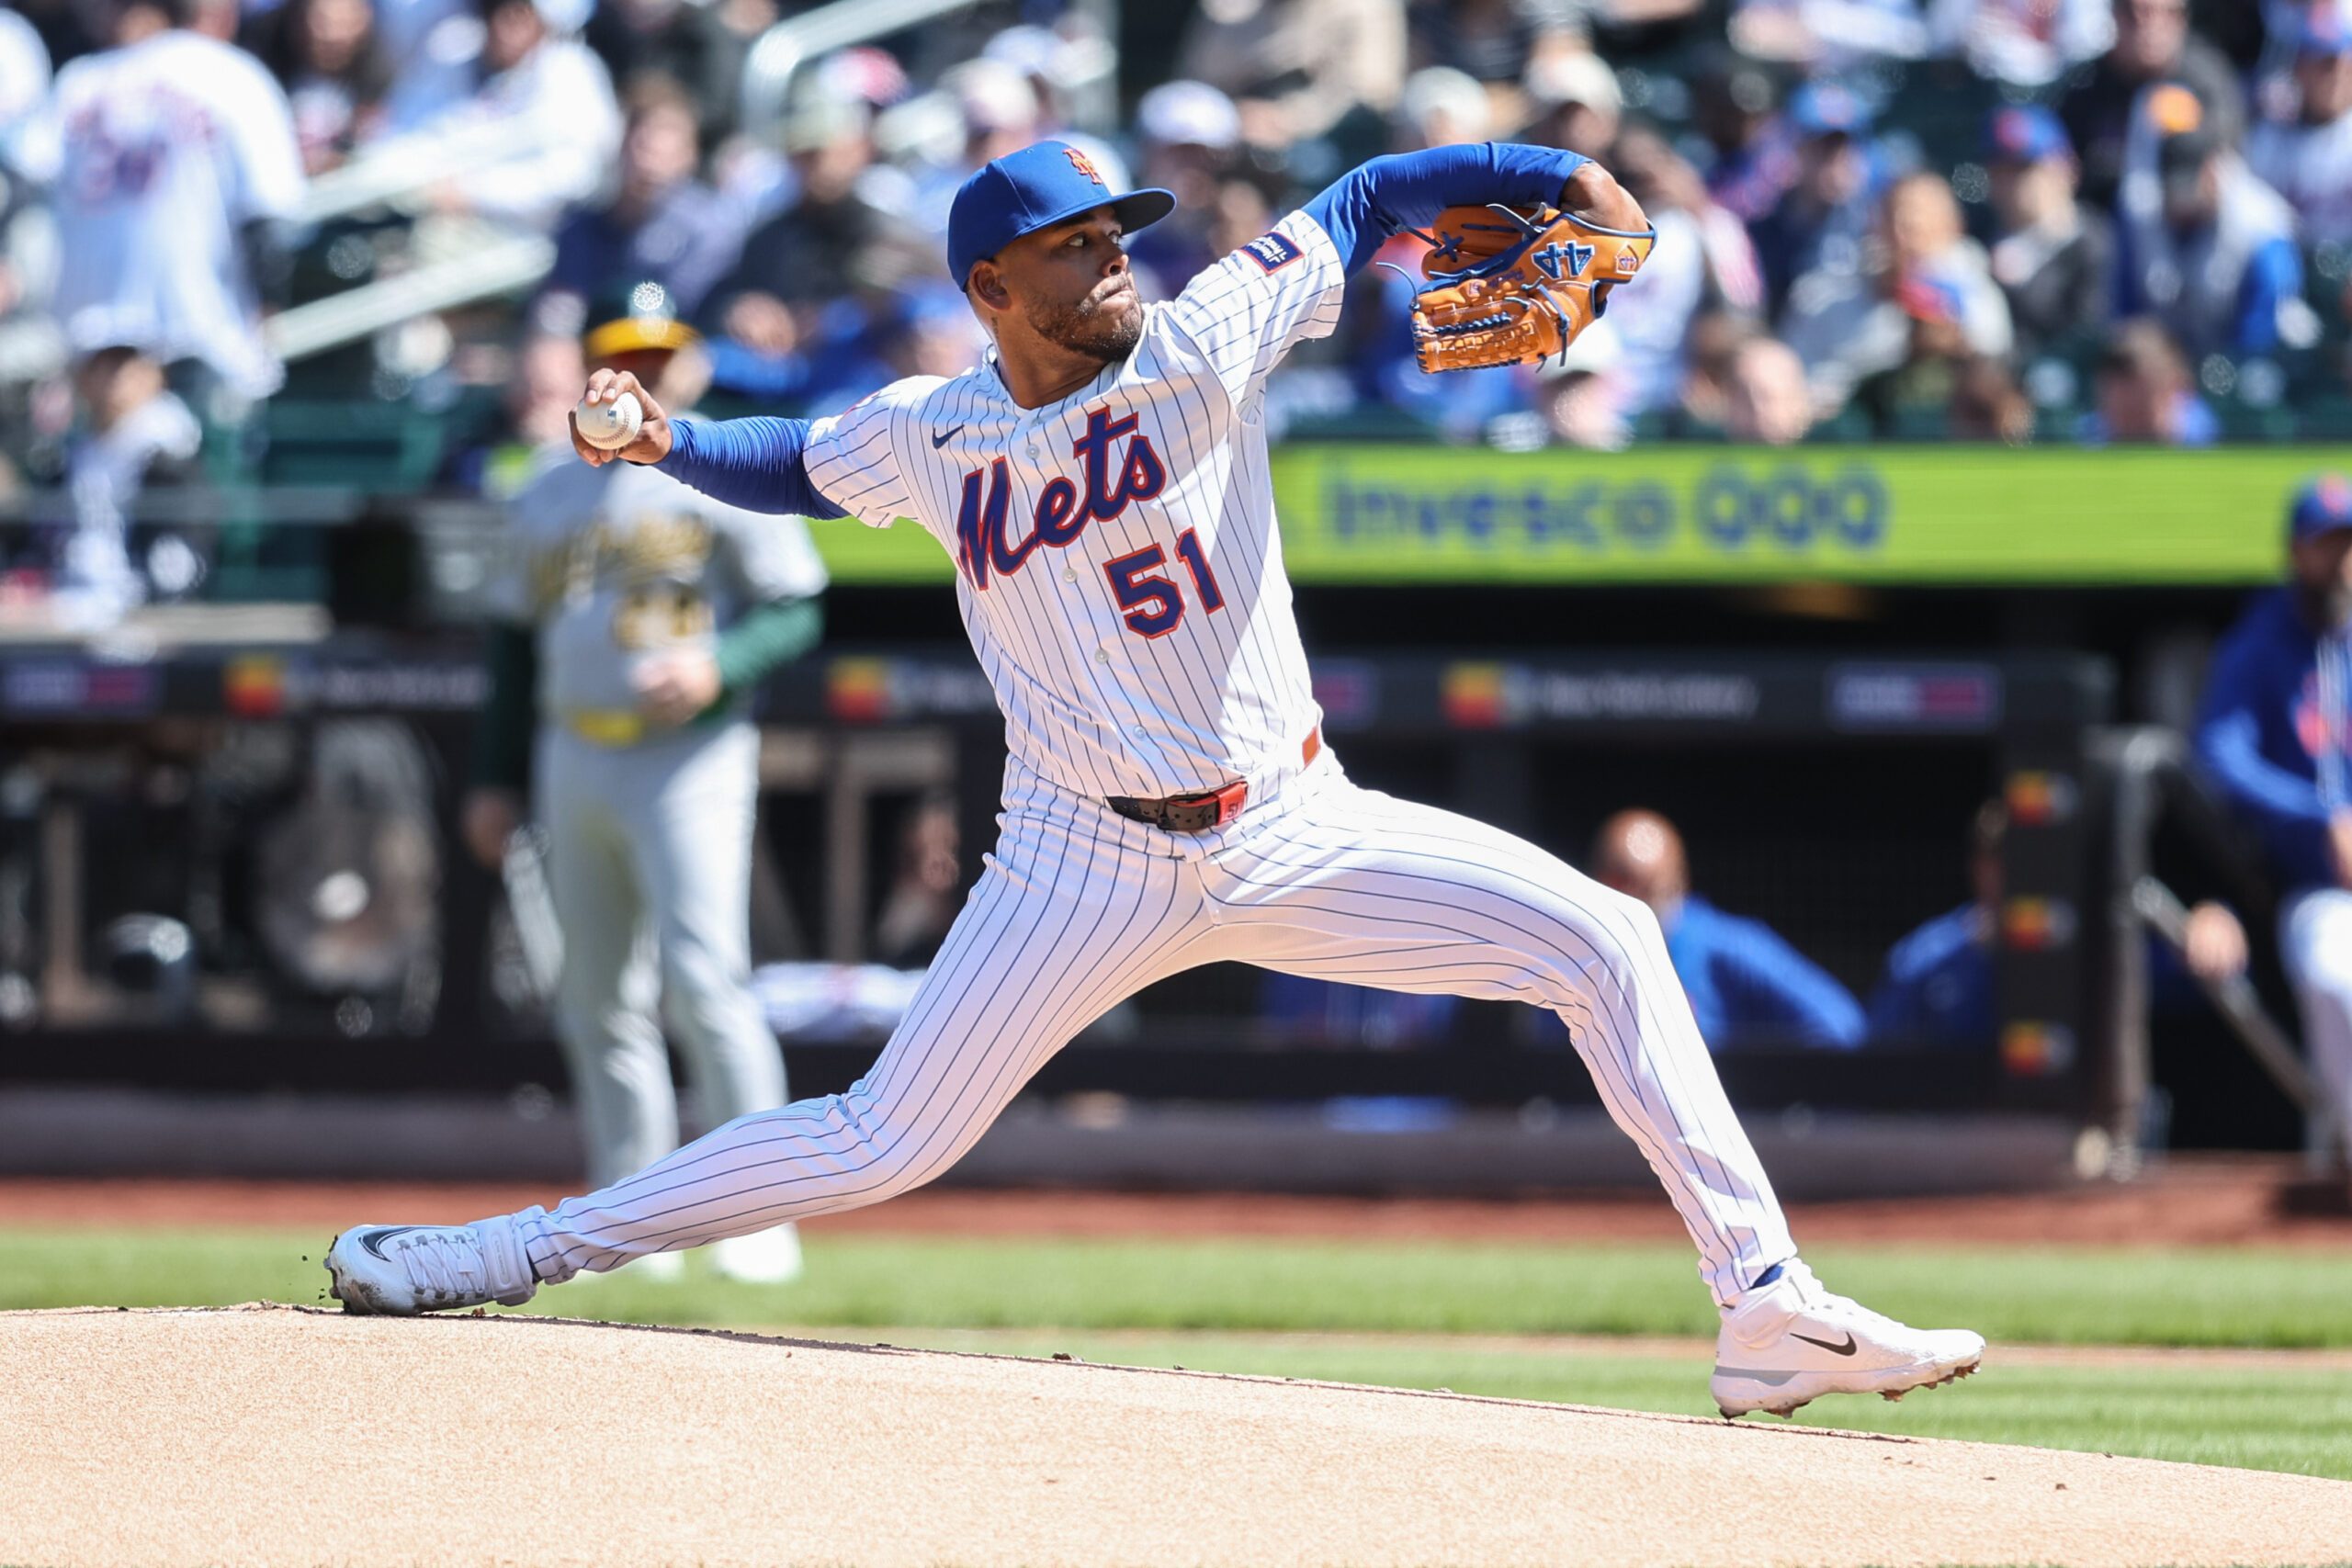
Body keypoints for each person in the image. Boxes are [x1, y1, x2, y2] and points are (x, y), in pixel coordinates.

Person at [325, 134, 1985, 1423]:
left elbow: (1375, 191)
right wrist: (662, 440)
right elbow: (792, 463)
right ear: (993, 288)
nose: (1113, 260)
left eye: (1118, 233)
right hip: (1073, 861)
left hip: (1294, 822)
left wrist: (1558, 181)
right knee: (880, 1135)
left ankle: (1763, 1307)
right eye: (1074, 246)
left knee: (1608, 943)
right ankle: (519, 1247)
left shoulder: (1204, 339)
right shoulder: (933, 430)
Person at [455, 288, 828, 1284]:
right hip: (572, 748)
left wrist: (720, 664)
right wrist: (495, 777)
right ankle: (631, 1215)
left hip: (689, 755)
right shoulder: (545, 486)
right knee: (595, 992)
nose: (645, 376)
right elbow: (510, 645)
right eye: (627, 357)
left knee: (707, 978)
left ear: (689, 367)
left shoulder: (714, 471)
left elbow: (795, 608)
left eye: (662, 358)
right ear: (592, 368)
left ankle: (755, 1212)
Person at [37, 0, 305, 412]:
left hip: (109, 340)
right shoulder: (228, 71)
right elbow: (271, 211)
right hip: (195, 327)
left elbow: (30, 186)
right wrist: (270, 301)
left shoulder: (81, 79)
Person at [2195, 474, 2352, 1165]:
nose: (2342, 559)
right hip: (2310, 887)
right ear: (2296, 551)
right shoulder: (2260, 645)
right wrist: (2322, 815)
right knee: (2331, 970)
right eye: (2328, 544)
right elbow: (2220, 755)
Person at [1869, 801, 2246, 1048]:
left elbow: (2203, 980)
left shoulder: (2088, 941)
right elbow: (1877, 1065)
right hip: (1960, 1140)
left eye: (2034, 858)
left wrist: (2213, 920)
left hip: (2082, 1144)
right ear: (1981, 868)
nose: (2021, 875)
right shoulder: (1928, 956)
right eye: (2003, 858)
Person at [1589, 809, 1866, 1051]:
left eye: (1649, 892)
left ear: (1679, 884)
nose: (1634, 905)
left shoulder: (1729, 946)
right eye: (1620, 887)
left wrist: (1758, 1076)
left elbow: (1841, 1024)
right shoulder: (1581, 950)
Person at [541, 74, 747, 326]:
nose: (649, 162)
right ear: (622, 144)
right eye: (642, 144)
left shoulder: (712, 229)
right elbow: (562, 306)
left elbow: (683, 313)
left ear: (689, 155)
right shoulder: (581, 225)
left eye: (664, 149)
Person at [2116, 89, 2304, 359]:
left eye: (2190, 185)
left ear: (2214, 173)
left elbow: (2260, 342)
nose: (2181, 200)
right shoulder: (2140, 208)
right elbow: (2124, 316)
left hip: (2247, 366)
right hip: (2167, 362)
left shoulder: (2261, 228)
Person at [2059, 0, 2245, 208]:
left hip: (2185, 215)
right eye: (2139, 14)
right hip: (2107, 218)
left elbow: (2225, 152)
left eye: (2170, 14)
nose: (2153, 25)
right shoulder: (2086, 84)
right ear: (2115, 15)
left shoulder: (2206, 80)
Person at [1983, 107, 2115, 361]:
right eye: (2002, 170)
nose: (2015, 184)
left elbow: (2086, 337)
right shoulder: (1978, 244)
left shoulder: (2096, 243)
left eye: (2026, 168)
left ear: (2067, 169)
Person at [2246, 6, 2352, 252]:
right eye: (2324, 65)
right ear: (2299, 68)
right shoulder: (2268, 139)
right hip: (2295, 264)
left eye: (2344, 65)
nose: (2337, 77)